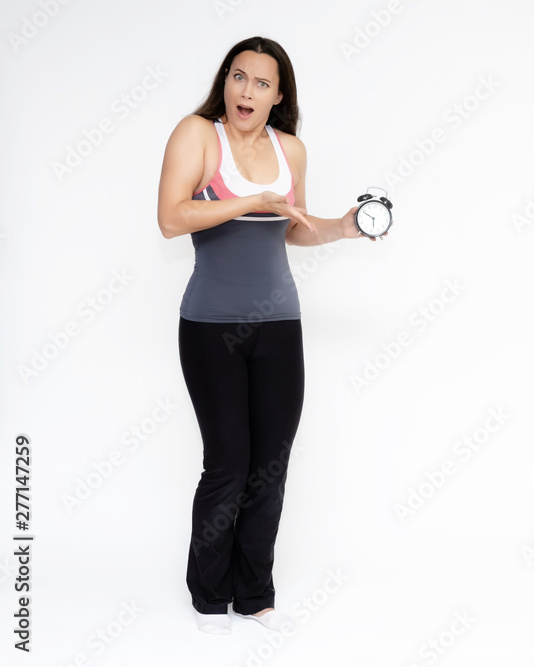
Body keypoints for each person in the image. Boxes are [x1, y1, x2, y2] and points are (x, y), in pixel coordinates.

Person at [156, 36, 388, 635]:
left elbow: (292, 229)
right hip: (210, 324)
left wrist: (341, 228)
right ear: (225, 83)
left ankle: (255, 594)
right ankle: (209, 596)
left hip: (280, 324)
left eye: (262, 83)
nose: (247, 91)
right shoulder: (196, 134)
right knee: (228, 464)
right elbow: (170, 218)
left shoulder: (291, 151)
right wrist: (246, 201)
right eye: (238, 77)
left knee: (270, 466)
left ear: (278, 95)